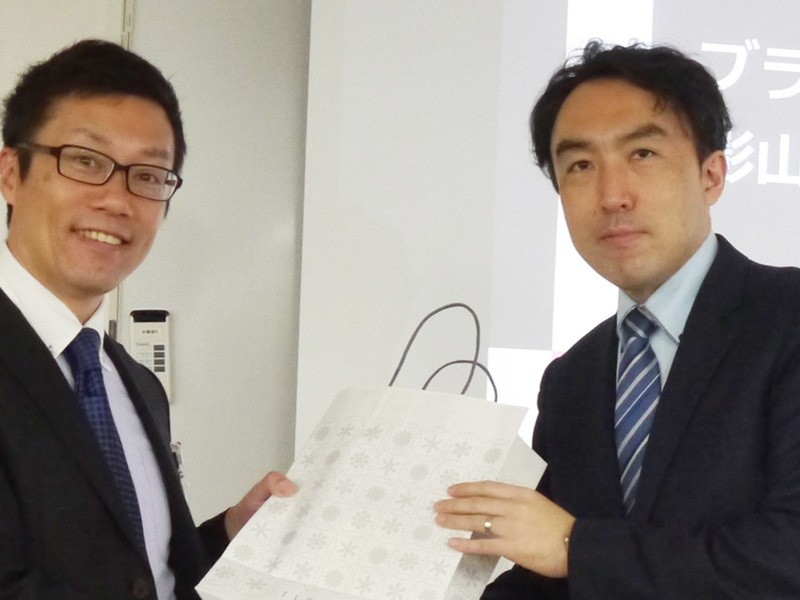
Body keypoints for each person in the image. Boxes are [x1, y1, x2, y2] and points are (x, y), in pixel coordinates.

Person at [435, 41, 800, 598]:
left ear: (711, 175)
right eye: (580, 165)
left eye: (643, 154)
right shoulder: (571, 378)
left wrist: (574, 546)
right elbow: (552, 582)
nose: (611, 196)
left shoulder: (788, 317)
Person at [0, 39, 295, 599]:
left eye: (149, 175)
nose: (118, 200)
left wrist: (230, 534)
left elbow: (144, 575)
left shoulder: (136, 384)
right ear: (12, 173)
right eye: (85, 161)